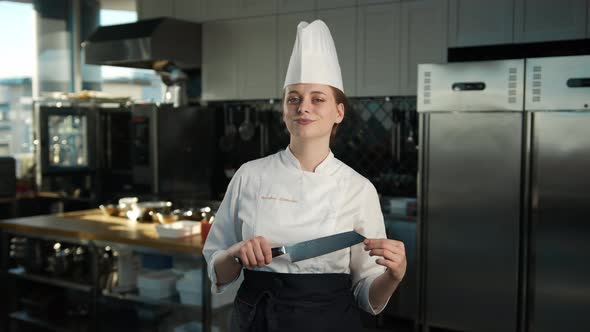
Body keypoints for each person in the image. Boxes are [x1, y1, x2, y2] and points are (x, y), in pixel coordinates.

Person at [203, 20, 407, 332]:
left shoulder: (358, 188)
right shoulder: (250, 175)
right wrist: (235, 254)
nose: (303, 108)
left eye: (317, 98)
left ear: (339, 112)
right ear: (284, 109)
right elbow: (218, 272)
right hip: (258, 319)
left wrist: (393, 276)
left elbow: (366, 295)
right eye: (293, 98)